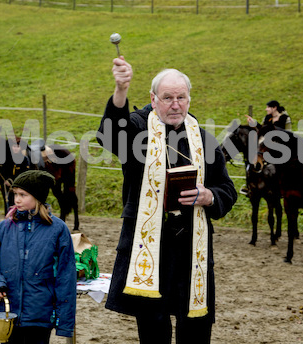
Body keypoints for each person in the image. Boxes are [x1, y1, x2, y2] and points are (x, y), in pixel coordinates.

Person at [97, 56, 237, 344]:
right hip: (149, 247)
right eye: (168, 97)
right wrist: (121, 90)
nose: (175, 104)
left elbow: (227, 188)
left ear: (189, 99)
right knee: (153, 328)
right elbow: (113, 133)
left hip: (191, 249)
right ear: (153, 98)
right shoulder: (137, 128)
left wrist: (209, 196)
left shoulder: (204, 139)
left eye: (181, 97)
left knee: (195, 330)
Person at [0, 170, 76, 343]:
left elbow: (66, 276)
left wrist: (65, 323)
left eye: (23, 195)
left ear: (38, 197)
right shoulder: (5, 227)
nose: (17, 199)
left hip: (40, 315)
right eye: (15, 194)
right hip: (8, 312)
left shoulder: (58, 230)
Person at [242, 100, 291, 196]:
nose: (266, 109)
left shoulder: (285, 118)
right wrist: (254, 123)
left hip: (281, 146)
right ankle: (250, 186)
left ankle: (284, 186)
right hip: (267, 146)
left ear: (274, 108)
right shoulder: (267, 118)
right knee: (252, 160)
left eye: (268, 107)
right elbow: (263, 130)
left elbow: (287, 133)